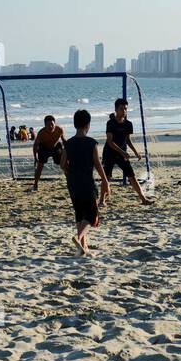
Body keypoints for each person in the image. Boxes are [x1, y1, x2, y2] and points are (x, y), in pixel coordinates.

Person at [61, 109, 110, 255]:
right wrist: (105, 181)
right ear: (87, 125)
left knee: (79, 214)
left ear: (75, 124)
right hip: (87, 183)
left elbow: (62, 165)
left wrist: (70, 174)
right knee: (91, 217)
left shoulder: (68, 144)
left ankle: (83, 248)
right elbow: (97, 164)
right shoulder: (91, 143)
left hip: (73, 184)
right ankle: (78, 237)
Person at [103, 98, 154, 205]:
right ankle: (101, 201)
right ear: (116, 109)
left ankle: (143, 199)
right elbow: (110, 141)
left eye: (125, 109)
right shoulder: (110, 123)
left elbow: (127, 139)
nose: (124, 111)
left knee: (132, 177)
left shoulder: (128, 124)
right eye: (121, 109)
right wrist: (123, 152)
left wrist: (135, 152)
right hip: (109, 153)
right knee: (106, 178)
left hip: (122, 154)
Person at [31, 115, 66, 191]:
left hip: (56, 147)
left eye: (52, 125)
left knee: (64, 164)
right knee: (40, 166)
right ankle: (36, 184)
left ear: (55, 124)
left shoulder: (59, 130)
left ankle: (70, 181)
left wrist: (67, 153)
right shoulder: (41, 133)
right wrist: (35, 157)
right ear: (45, 126)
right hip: (44, 148)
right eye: (48, 125)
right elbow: (35, 145)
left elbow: (64, 141)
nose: (50, 127)